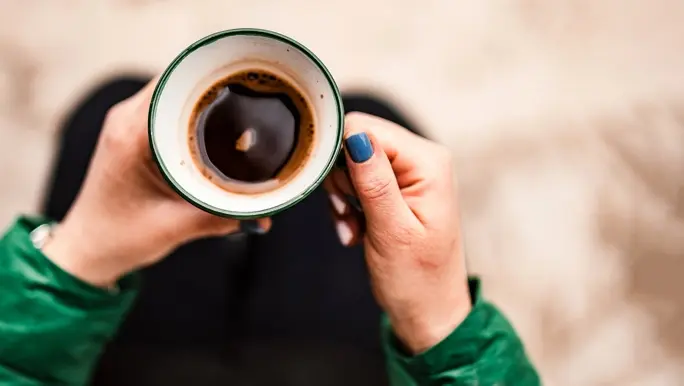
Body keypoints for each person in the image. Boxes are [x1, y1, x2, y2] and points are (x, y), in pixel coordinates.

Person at [0, 76, 540, 386]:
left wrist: (79, 259)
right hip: (331, 368)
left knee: (107, 105)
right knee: (368, 112)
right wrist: (439, 327)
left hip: (136, 367)